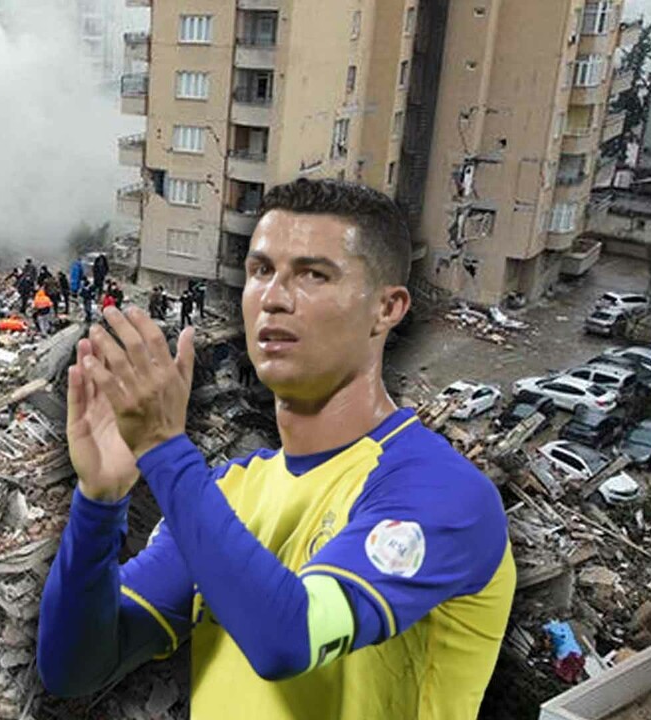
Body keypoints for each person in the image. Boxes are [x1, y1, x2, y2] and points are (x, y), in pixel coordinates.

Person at [37, 179, 514, 719]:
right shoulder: (228, 492)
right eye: (262, 271)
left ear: (387, 308)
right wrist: (99, 504)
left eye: (313, 274)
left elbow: (290, 638)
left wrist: (163, 448)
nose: (275, 297)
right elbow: (73, 668)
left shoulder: (442, 492)